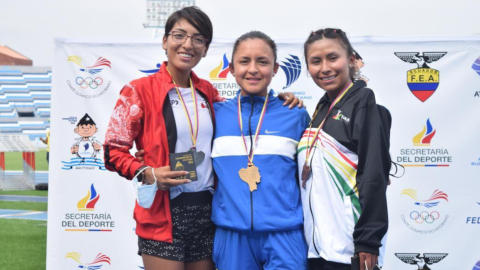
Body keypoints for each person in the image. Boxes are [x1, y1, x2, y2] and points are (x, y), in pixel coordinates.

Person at [104, 7, 302, 270]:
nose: (188, 44)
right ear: (165, 41)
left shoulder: (209, 94)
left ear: (206, 49)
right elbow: (112, 152)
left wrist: (281, 100)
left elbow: (248, 110)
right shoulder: (138, 91)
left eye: (198, 39)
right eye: (179, 35)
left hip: (208, 215)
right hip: (163, 215)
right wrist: (148, 172)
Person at [211, 31, 310, 270]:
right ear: (232, 69)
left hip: (285, 235)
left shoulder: (295, 114)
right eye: (244, 61)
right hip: (232, 235)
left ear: (275, 69)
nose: (253, 69)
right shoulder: (214, 115)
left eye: (262, 61)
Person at [298, 28, 390, 270]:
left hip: (350, 249)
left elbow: (373, 174)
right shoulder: (322, 107)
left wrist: (368, 241)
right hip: (318, 248)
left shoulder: (363, 101)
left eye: (332, 57)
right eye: (315, 61)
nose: (325, 68)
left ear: (350, 60)